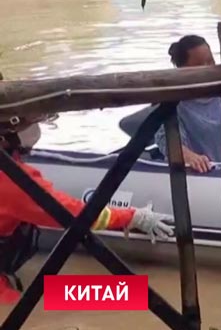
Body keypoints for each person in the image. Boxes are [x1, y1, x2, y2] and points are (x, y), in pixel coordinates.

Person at [0, 109, 174, 304]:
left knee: (52, 297)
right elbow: (73, 214)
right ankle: (148, 299)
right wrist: (133, 216)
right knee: (125, 296)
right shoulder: (13, 179)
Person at [154, 35, 221, 173]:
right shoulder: (175, 103)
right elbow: (164, 139)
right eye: (200, 65)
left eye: (210, 61)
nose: (208, 69)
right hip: (201, 173)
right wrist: (190, 157)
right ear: (183, 70)